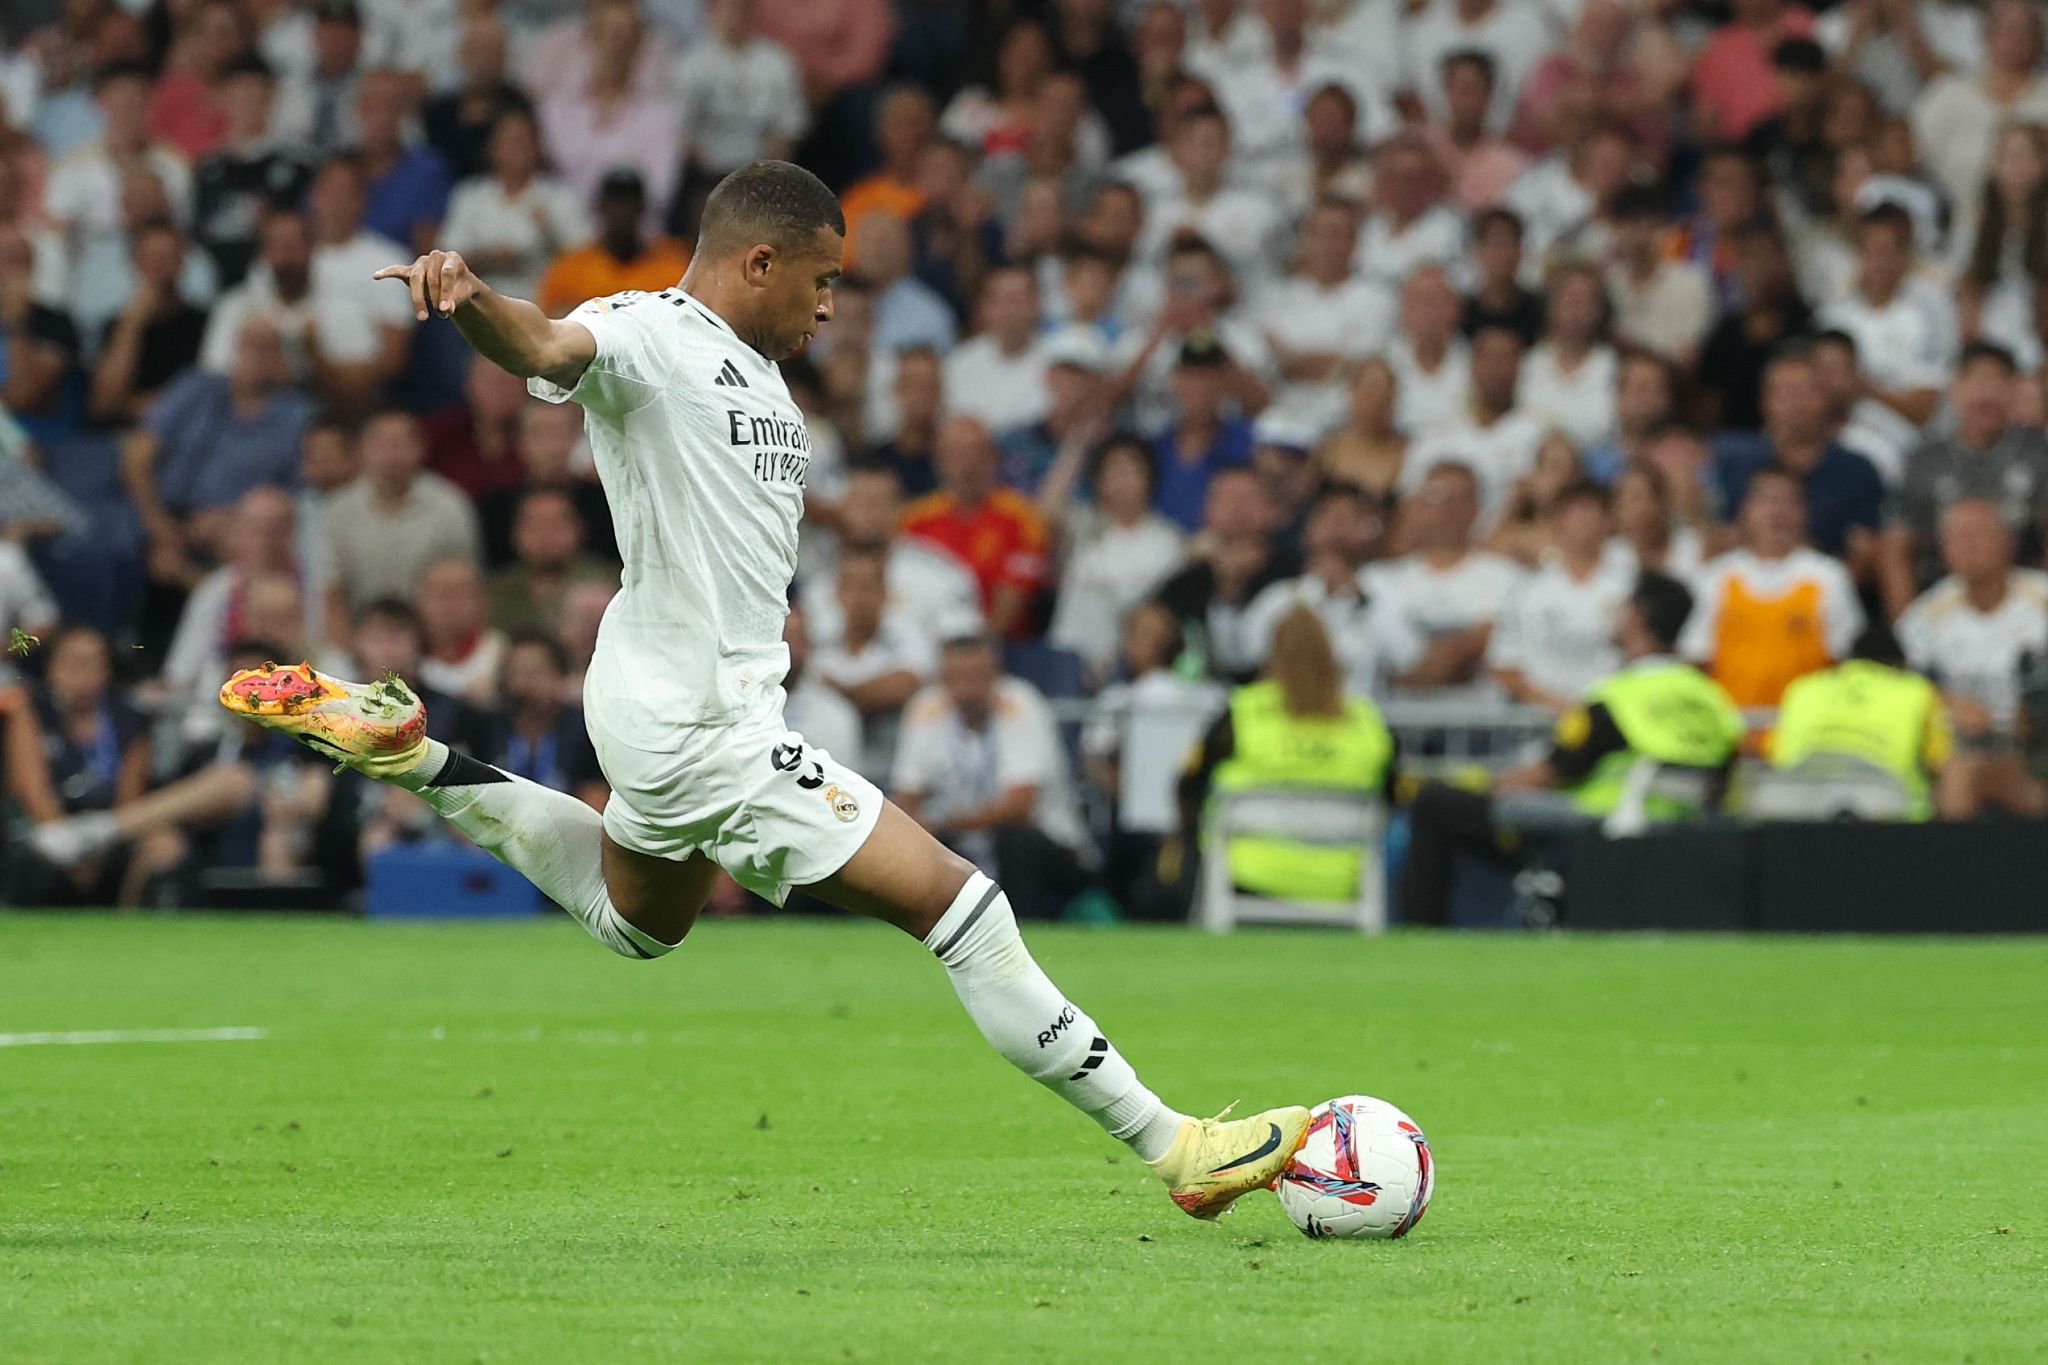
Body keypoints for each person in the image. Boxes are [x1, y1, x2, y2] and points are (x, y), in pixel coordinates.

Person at [221, 161, 1311, 1219]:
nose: (829, 307)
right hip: (698, 719)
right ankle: (1178, 1146)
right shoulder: (648, 332)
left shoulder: (756, 371)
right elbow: (546, 341)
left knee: (637, 926)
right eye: (822, 279)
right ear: (757, 261)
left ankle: (410, 753)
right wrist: (466, 298)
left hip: (666, 696)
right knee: (965, 912)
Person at [1400, 572, 1746, 925]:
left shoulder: (1616, 699)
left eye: (1623, 605)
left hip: (1591, 832)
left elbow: (1549, 774)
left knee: (1434, 803)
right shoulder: (1712, 700)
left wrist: (1484, 786)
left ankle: (1419, 931)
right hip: (1686, 836)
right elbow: (1725, 780)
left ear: (1636, 618)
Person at [1178, 604, 1396, 904]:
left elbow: (1188, 786)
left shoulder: (1244, 713)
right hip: (1337, 878)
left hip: (1245, 873)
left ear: (1272, 653)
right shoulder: (1367, 721)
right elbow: (1390, 794)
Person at [1896, 498, 2048, 818]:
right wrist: (1947, 701)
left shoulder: (2042, 599)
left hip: (2035, 750)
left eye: (1978, 535)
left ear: (2008, 543)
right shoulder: (1925, 616)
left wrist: (2037, 712)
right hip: (1957, 749)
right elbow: (1900, 682)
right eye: (1957, 537)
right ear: (1943, 550)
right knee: (1960, 777)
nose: (1967, 546)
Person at [1680, 465, 1863, 708]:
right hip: (1732, 728)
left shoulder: (1829, 577)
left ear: (1805, 512)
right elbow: (1696, 660)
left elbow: (1848, 662)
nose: (1777, 512)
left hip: (1806, 732)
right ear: (1745, 510)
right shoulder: (1716, 577)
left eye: (1788, 501)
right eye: (1767, 500)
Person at [1771, 624, 1951, 821]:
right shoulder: (1916, 691)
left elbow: (1776, 755)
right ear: (1900, 664)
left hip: (1797, 808)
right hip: (1889, 815)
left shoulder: (1803, 688)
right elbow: (1941, 763)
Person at [900, 416, 1050, 639]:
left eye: (975, 453)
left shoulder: (1022, 518)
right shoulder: (915, 520)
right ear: (938, 460)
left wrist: (973, 650)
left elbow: (1016, 593)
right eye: (954, 454)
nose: (966, 464)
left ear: (993, 457)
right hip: (927, 642)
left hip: (1002, 647)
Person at [1489, 481, 1632, 711]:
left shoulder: (1630, 585)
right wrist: (1561, 707)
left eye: (1591, 511)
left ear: (1609, 521)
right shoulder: (1527, 589)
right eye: (1574, 513)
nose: (1583, 522)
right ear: (1556, 522)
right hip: (1541, 723)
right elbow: (1505, 666)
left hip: (1613, 721)